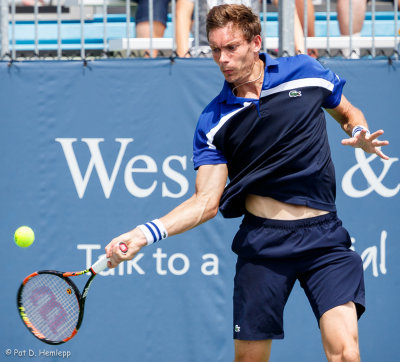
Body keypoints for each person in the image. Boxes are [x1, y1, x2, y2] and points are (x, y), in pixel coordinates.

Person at [106, 4, 389, 361]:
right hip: (264, 243)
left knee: (347, 353)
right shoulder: (213, 120)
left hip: (324, 238)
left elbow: (347, 112)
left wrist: (360, 131)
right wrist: (143, 234)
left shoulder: (305, 71)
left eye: (231, 48)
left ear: (256, 42)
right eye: (214, 50)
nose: (222, 59)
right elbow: (206, 201)